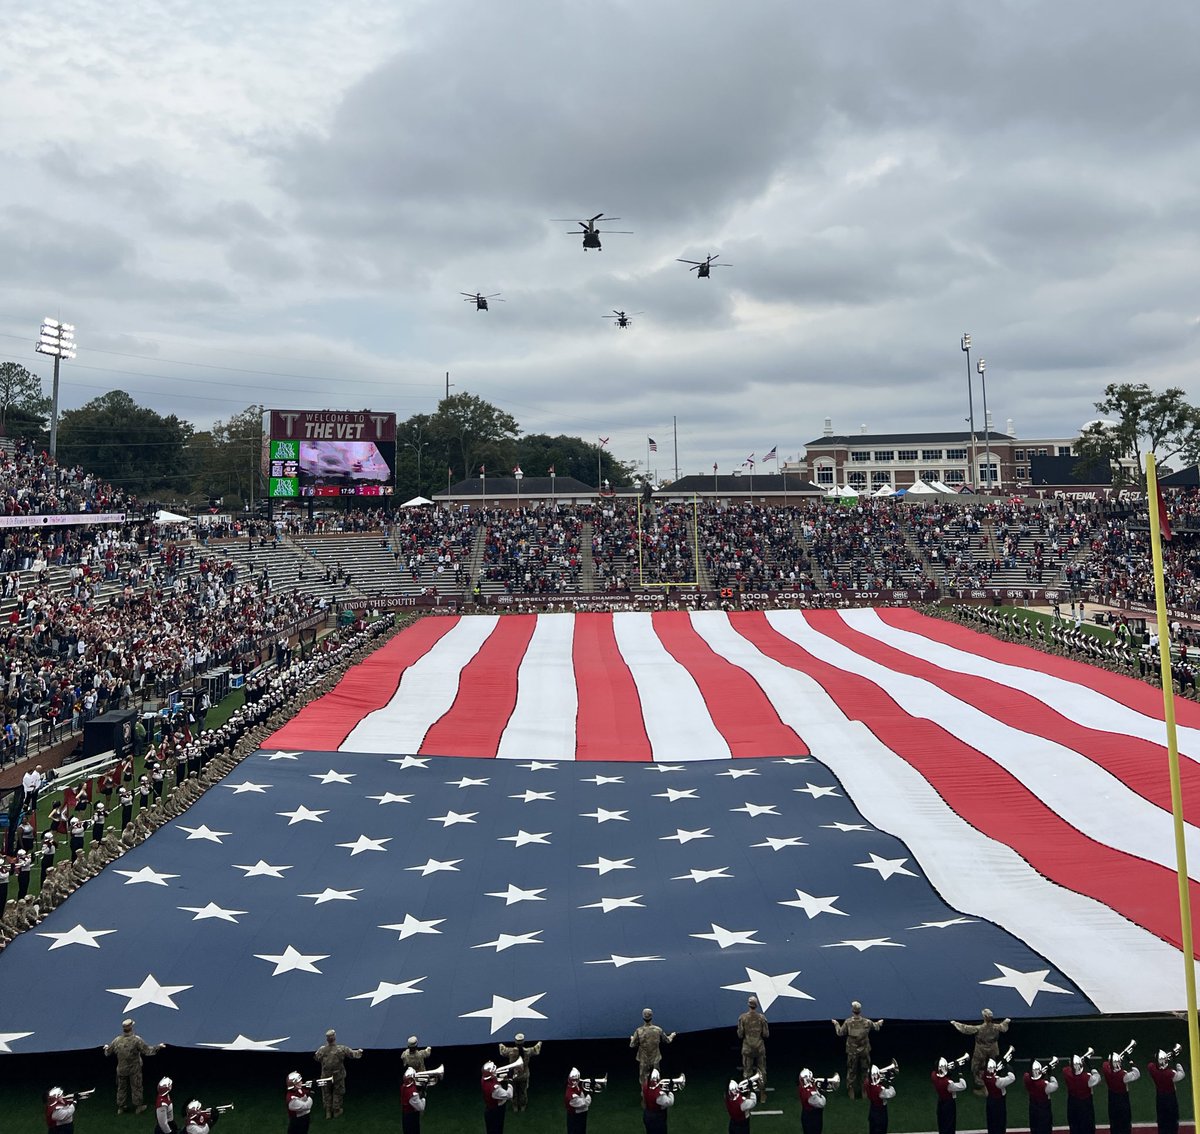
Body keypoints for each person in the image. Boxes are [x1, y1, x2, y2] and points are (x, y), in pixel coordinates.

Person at [104, 1017, 165, 1114]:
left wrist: (106, 1048)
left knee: (121, 1088)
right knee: (136, 1087)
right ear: (131, 1027)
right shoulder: (136, 1040)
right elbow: (148, 1051)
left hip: (121, 1069)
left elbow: (108, 1053)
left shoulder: (117, 1040)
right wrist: (159, 1047)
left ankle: (121, 1107)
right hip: (134, 1069)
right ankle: (138, 1107)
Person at [950, 1009, 1011, 1093]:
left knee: (977, 1068)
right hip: (993, 1051)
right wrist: (1007, 1021)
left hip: (980, 1052)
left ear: (984, 1017)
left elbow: (966, 1029)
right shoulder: (996, 1027)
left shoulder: (980, 1028)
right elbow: (1004, 1027)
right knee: (992, 1067)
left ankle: (983, 1087)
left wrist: (955, 1023)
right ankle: (992, 1084)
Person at [834, 1002, 883, 1099]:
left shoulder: (848, 1022)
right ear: (860, 1011)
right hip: (864, 1051)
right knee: (865, 1070)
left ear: (852, 1010)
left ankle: (851, 1089)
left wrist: (836, 1024)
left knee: (852, 1070)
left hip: (852, 1052)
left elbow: (840, 1032)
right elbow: (876, 1027)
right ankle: (864, 1089)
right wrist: (879, 1023)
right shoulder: (867, 1022)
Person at [313, 1027, 363, 1119]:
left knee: (326, 1092)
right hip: (338, 1075)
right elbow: (353, 1054)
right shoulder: (341, 1049)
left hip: (325, 1075)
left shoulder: (322, 1049)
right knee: (338, 1092)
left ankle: (328, 1111)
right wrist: (359, 1052)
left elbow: (316, 1058)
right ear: (334, 1037)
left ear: (327, 1039)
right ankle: (336, 1111)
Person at [631, 1008, 677, 1085]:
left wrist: (632, 1039)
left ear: (643, 1018)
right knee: (656, 1079)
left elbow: (632, 1045)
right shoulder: (658, 1030)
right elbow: (668, 1041)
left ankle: (645, 1094)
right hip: (655, 1058)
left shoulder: (638, 1031)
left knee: (643, 1082)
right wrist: (672, 1035)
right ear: (651, 1017)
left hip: (643, 1059)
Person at [497, 1033, 541, 1112]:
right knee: (523, 1091)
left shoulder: (510, 1051)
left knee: (513, 1091)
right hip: (524, 1075)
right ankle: (523, 1106)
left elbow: (502, 1050)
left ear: (515, 1042)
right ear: (523, 1042)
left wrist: (498, 1041)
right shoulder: (528, 1051)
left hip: (513, 1076)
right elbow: (536, 1050)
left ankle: (515, 1106)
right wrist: (540, 1041)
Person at [1148, 1048, 1185, 1134]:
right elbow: (1181, 1075)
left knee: (1162, 1120)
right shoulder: (1170, 1073)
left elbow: (1152, 1064)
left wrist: (1166, 1057)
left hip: (1160, 1097)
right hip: (1170, 1098)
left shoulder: (1152, 1069)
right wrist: (1178, 1065)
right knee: (1173, 1121)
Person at [1102, 1049, 1140, 1134]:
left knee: (1114, 1120)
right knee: (1125, 1121)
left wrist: (1116, 1060)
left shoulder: (1105, 1068)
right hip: (1122, 1099)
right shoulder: (1123, 1075)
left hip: (1111, 1097)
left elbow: (1107, 1063)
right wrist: (1130, 1061)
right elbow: (1137, 1073)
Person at [1063, 1053, 1100, 1134]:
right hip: (1085, 1105)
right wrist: (1090, 1066)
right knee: (1088, 1126)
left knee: (1074, 1126)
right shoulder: (1088, 1077)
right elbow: (1097, 1077)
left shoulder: (1066, 1072)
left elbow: (1069, 1068)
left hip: (1072, 1103)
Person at [737, 996, 769, 1084]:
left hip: (747, 1048)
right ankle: (762, 1093)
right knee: (762, 1070)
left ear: (748, 1005)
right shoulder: (762, 1018)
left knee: (747, 1071)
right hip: (759, 1048)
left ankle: (748, 1092)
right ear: (756, 1005)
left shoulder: (742, 1018)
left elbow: (740, 1035)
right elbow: (766, 1034)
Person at [932, 1058, 967, 1134]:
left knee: (942, 1124)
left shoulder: (933, 1075)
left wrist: (947, 1070)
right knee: (949, 1126)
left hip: (941, 1102)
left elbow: (938, 1072)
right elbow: (963, 1086)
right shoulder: (948, 1083)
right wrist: (959, 1071)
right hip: (949, 1105)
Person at [982, 1056, 1016, 1134]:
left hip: (990, 1101)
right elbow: (1012, 1078)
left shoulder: (984, 1075)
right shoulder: (998, 1081)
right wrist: (1008, 1066)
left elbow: (992, 1074)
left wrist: (998, 1071)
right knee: (1000, 1123)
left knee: (991, 1122)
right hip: (999, 1103)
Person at [1023, 1060, 1058, 1134]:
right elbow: (1055, 1085)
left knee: (1034, 1127)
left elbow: (1028, 1075)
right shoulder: (1045, 1084)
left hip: (1032, 1107)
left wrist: (1040, 1075)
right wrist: (1051, 1075)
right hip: (1044, 1109)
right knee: (1045, 1128)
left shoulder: (1026, 1079)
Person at [481, 1060, 514, 1134]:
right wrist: (510, 1080)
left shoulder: (483, 1078)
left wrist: (503, 1077)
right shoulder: (495, 1089)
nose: (496, 1069)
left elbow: (495, 1078)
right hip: (496, 1111)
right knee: (497, 1130)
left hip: (490, 1109)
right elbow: (509, 1095)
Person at [864, 1065, 896, 1134]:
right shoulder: (880, 1090)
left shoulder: (866, 1083)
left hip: (872, 1110)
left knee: (872, 1130)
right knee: (881, 1130)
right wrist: (889, 1082)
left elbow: (872, 1082)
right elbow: (892, 1093)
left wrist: (880, 1080)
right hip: (880, 1113)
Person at [642, 1069, 675, 1134]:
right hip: (657, 1118)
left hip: (647, 1114)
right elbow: (669, 1102)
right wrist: (670, 1091)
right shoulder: (658, 1094)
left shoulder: (645, 1086)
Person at [797, 1069, 827, 1134]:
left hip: (806, 1114)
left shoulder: (801, 1087)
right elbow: (822, 1103)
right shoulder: (810, 1094)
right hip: (813, 1117)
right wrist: (822, 1092)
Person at [564, 1068, 592, 1134]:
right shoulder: (572, 1096)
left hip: (578, 1115)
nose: (575, 1082)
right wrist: (590, 1093)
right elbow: (586, 1103)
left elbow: (580, 1093)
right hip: (577, 1117)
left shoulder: (574, 1086)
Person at [401, 1068, 426, 1134]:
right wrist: (423, 1097)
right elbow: (421, 1107)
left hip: (405, 1115)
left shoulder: (403, 1086)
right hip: (412, 1117)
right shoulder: (413, 1094)